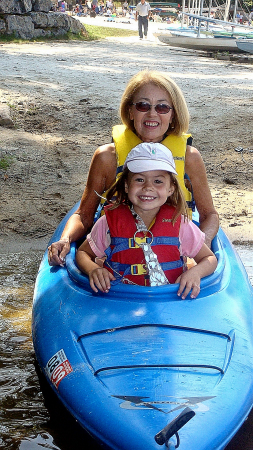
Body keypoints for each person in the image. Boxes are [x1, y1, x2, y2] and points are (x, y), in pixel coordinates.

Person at [48, 70, 219, 267]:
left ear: (173, 114)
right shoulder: (106, 157)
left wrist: (200, 245)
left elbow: (209, 216)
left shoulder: (190, 158)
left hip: (174, 252)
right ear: (130, 111)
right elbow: (84, 216)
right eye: (142, 105)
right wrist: (66, 240)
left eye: (162, 107)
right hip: (114, 254)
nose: (152, 114)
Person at [76, 143, 217, 298]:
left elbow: (209, 259)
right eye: (139, 179)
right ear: (126, 185)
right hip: (120, 298)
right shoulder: (108, 223)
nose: (148, 187)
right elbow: (82, 252)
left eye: (158, 181)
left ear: (171, 189)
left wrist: (195, 273)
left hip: (168, 300)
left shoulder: (180, 223)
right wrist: (93, 270)